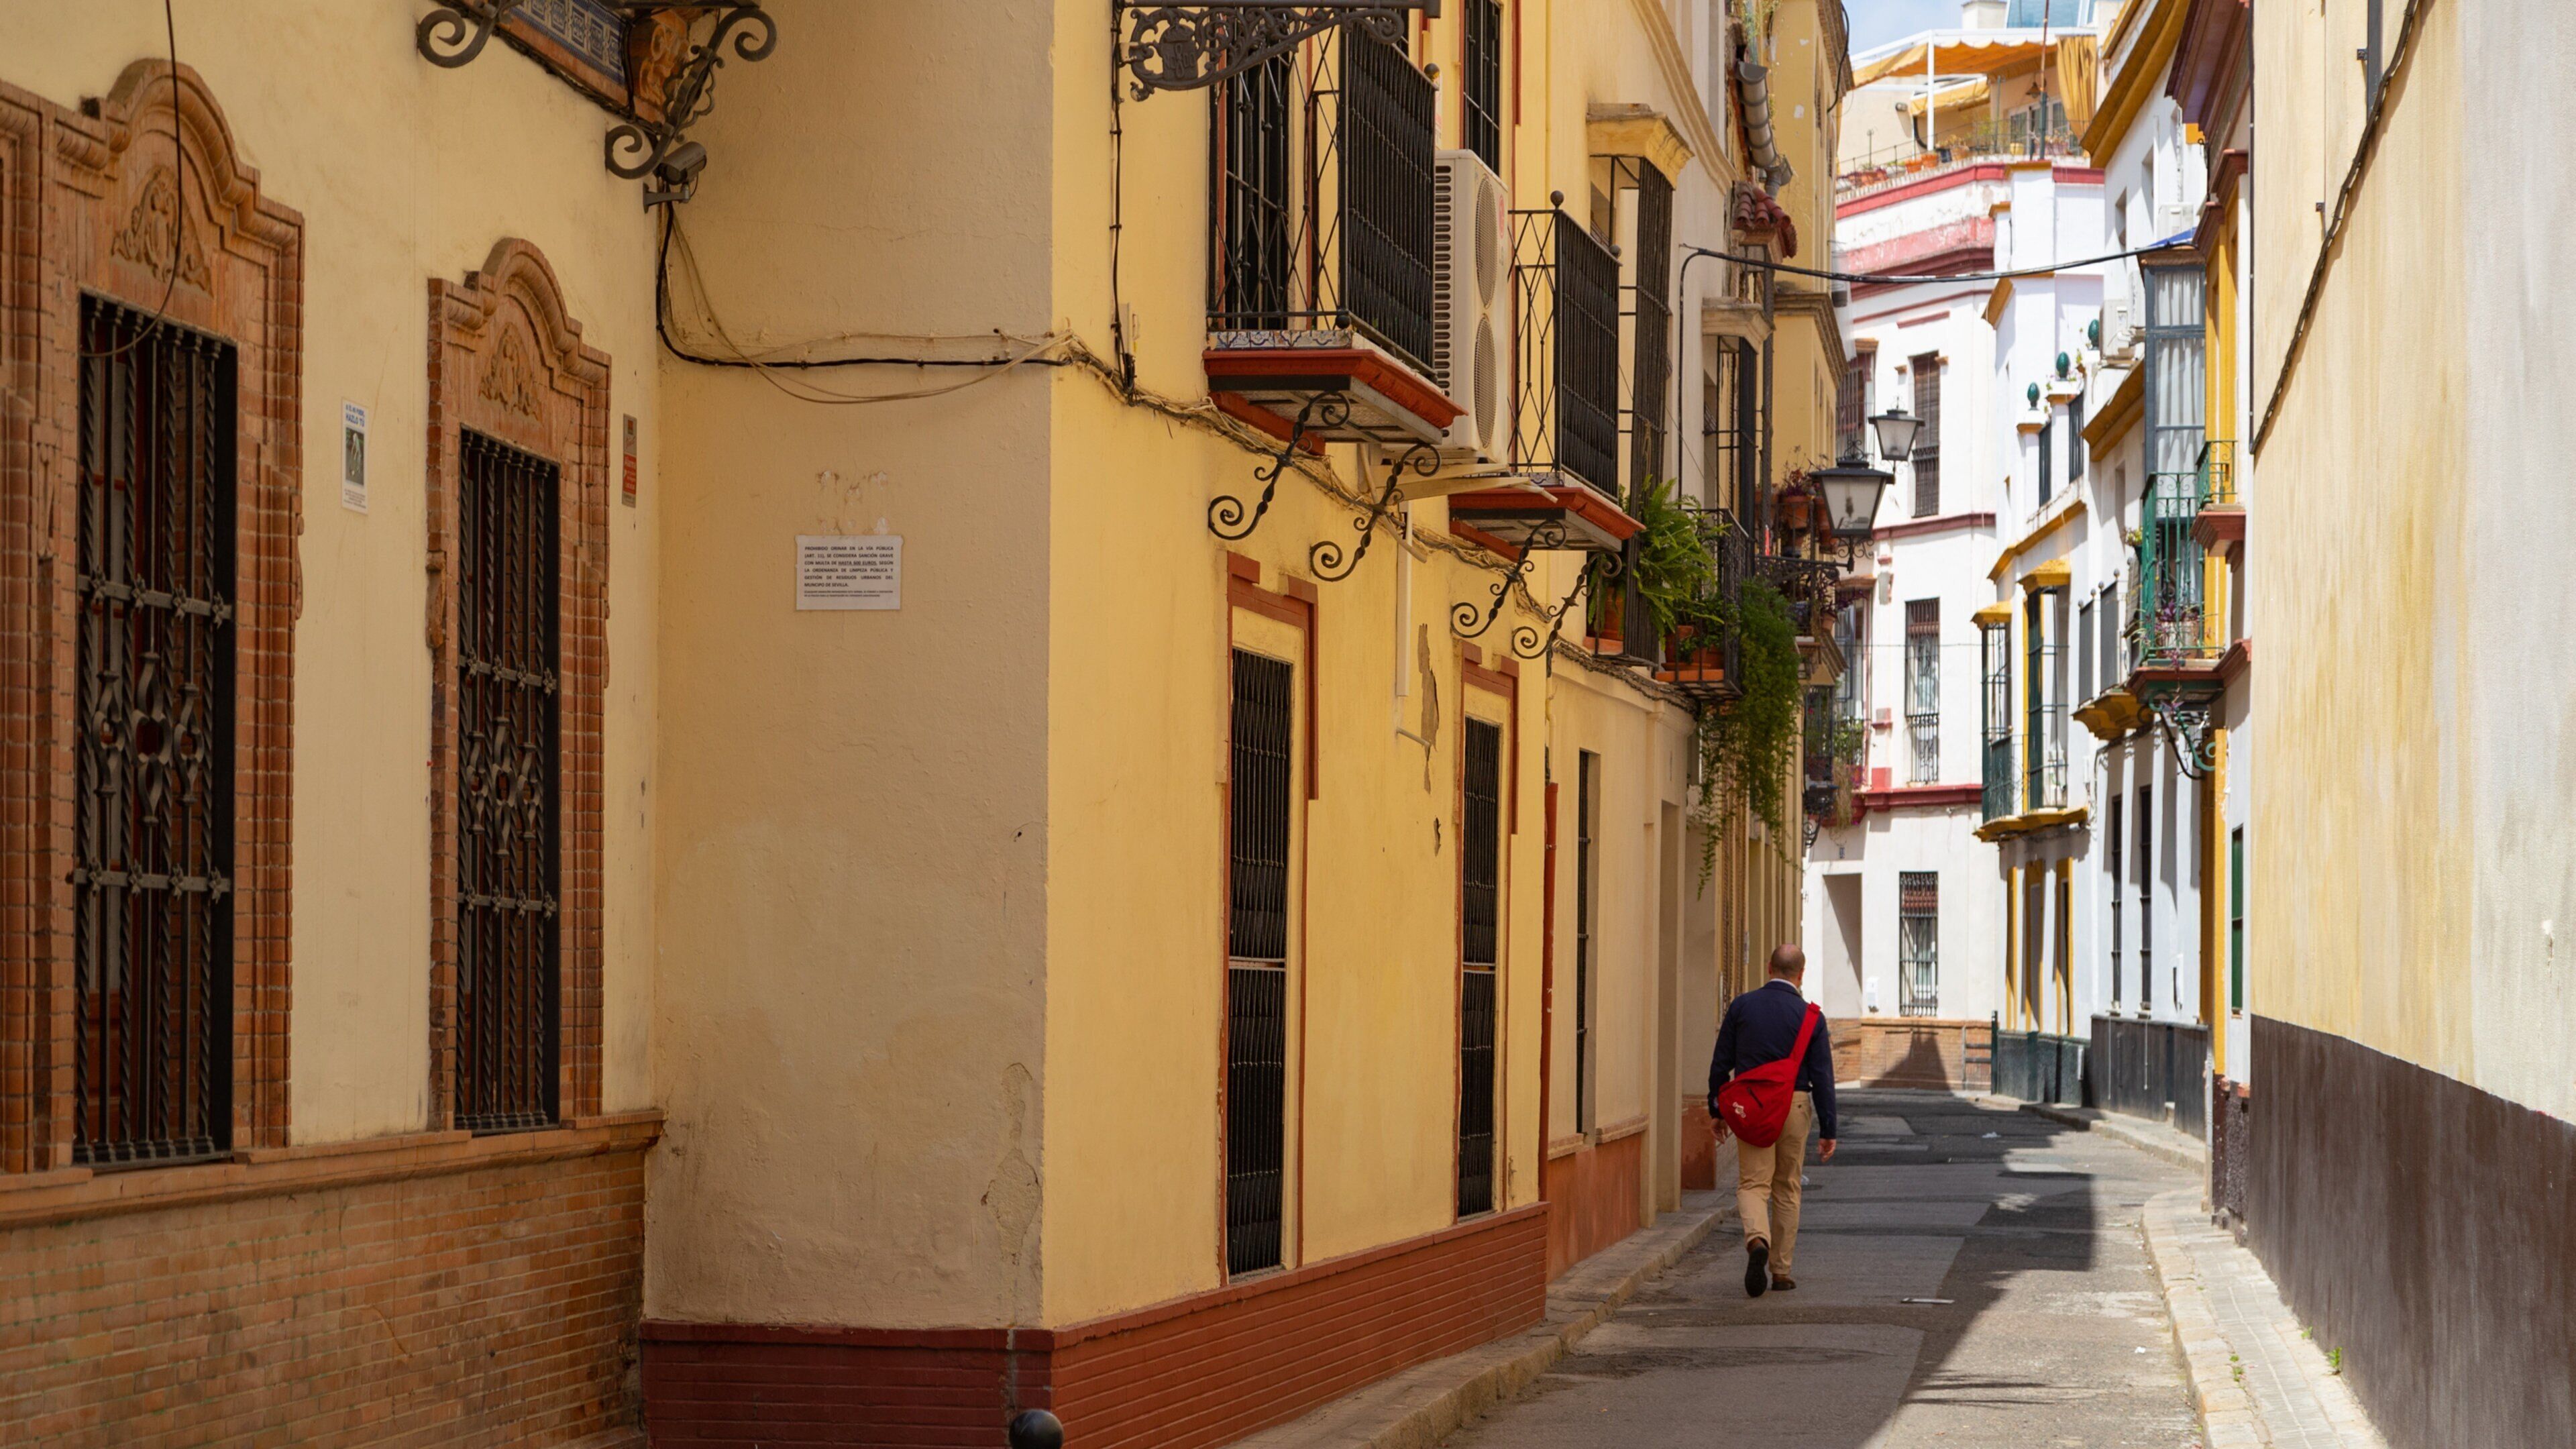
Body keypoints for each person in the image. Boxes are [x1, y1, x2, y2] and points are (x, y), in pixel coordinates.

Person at [1708, 944, 1838, 1297]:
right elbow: (1824, 1077)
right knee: (1787, 1187)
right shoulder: (1811, 1017)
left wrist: (1717, 1109)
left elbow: (1721, 1062)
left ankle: (1757, 1240)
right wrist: (1829, 1129)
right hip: (1795, 1106)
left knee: (1753, 1184)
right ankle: (1781, 1271)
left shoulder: (1742, 1006)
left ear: (1768, 968)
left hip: (1752, 1107)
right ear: (1801, 974)